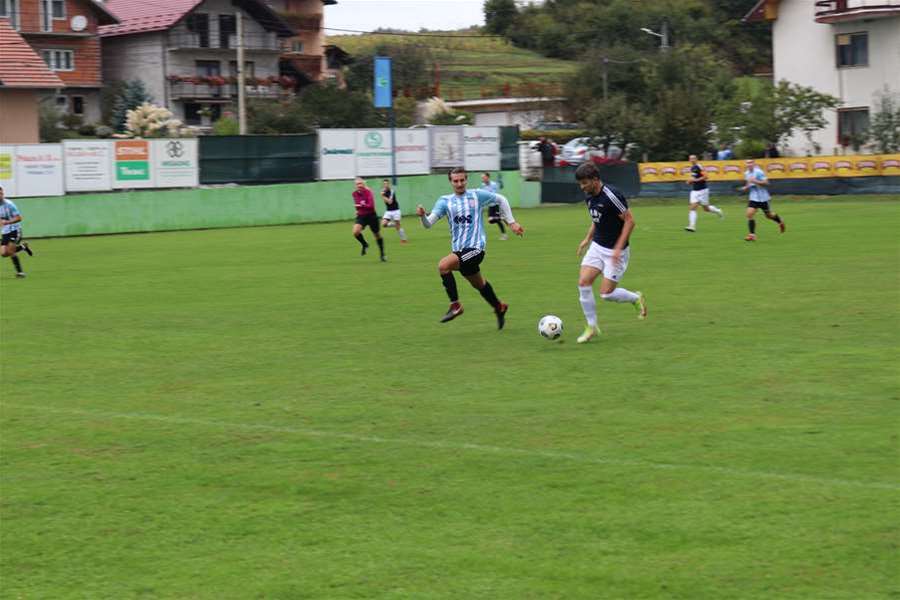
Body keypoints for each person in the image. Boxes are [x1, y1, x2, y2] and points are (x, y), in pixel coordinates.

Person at [415, 167, 524, 328]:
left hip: (476, 249)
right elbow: (428, 224)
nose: (459, 184)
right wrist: (423, 216)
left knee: (443, 266)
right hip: (459, 250)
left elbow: (501, 199)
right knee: (479, 284)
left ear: (466, 180)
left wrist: (512, 222)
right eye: (455, 181)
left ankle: (455, 305)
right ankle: (499, 307)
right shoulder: (445, 201)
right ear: (450, 182)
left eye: (462, 180)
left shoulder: (476, 195)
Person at [574, 162, 646, 344]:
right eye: (580, 184)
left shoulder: (612, 196)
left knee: (606, 294)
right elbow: (597, 219)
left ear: (595, 180)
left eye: (585, 183)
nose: (582, 187)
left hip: (617, 252)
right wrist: (587, 239)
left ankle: (635, 298)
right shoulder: (589, 197)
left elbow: (630, 221)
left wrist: (617, 248)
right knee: (583, 283)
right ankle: (591, 327)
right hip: (598, 246)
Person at [741, 159, 785, 242]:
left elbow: (767, 183)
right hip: (753, 198)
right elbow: (748, 183)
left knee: (768, 215)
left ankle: (780, 221)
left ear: (754, 164)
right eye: (747, 163)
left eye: (750, 162)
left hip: (763, 198)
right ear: (746, 164)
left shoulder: (759, 172)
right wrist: (746, 187)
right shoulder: (746, 173)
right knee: (749, 214)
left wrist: (755, 181)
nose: (749, 164)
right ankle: (752, 235)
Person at [0, 186, 33, 278]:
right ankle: (23, 247)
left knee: (10, 251)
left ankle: (20, 272)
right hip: (5, 232)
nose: (0, 195)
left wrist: (7, 222)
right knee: (3, 253)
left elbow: (19, 218)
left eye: (1, 193)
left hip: (15, 230)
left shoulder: (9, 204)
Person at [684, 154, 724, 232]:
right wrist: (689, 181)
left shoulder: (699, 167)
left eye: (693, 158)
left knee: (706, 209)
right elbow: (694, 178)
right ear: (689, 160)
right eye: (690, 159)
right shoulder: (692, 168)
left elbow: (706, 177)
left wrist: (695, 180)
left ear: (696, 159)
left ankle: (718, 211)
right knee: (692, 207)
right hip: (694, 191)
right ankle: (692, 226)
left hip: (703, 190)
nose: (692, 160)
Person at [351, 177, 386, 261]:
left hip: (371, 216)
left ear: (364, 184)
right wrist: (358, 209)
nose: (359, 185)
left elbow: (371, 206)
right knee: (355, 232)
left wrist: (361, 206)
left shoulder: (368, 192)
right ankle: (365, 244)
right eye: (357, 184)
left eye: (360, 183)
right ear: (355, 186)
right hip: (361, 216)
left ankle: (382, 254)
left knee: (377, 235)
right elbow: (357, 205)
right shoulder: (354, 194)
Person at [480, 172, 508, 241]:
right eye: (482, 178)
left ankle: (504, 235)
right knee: (490, 220)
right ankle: (501, 218)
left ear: (488, 177)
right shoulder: (483, 185)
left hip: (496, 205)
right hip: (490, 205)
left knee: (497, 221)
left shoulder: (493, 184)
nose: (483, 179)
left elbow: (494, 194)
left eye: (484, 177)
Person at [380, 179, 408, 244]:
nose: (385, 185)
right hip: (388, 211)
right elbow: (385, 201)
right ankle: (395, 224)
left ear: (389, 184)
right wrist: (383, 196)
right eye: (384, 184)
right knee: (383, 224)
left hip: (396, 211)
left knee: (398, 227)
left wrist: (382, 196)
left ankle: (404, 239)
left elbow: (390, 202)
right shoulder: (383, 192)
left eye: (387, 183)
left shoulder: (392, 191)